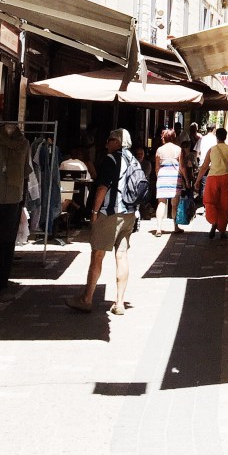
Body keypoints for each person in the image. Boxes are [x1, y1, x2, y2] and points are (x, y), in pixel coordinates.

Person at [66, 128, 138, 316]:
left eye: (109, 140)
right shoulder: (133, 160)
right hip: (129, 214)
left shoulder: (111, 159)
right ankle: (120, 302)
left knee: (97, 255)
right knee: (121, 255)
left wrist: (94, 212)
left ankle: (87, 299)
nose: (106, 144)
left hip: (109, 213)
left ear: (117, 142)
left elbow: (102, 188)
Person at [197, 126, 228, 240]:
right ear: (225, 137)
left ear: (217, 137)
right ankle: (222, 230)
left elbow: (204, 166)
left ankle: (214, 221)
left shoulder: (212, 150)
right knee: (224, 204)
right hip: (226, 179)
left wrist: (197, 180)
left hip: (213, 178)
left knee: (210, 202)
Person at [153, 128, 181, 236]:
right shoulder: (178, 149)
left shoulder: (159, 150)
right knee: (175, 204)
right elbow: (181, 166)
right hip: (174, 177)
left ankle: (159, 228)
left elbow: (157, 166)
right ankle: (176, 226)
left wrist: (158, 176)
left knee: (161, 203)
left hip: (162, 176)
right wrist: (186, 180)